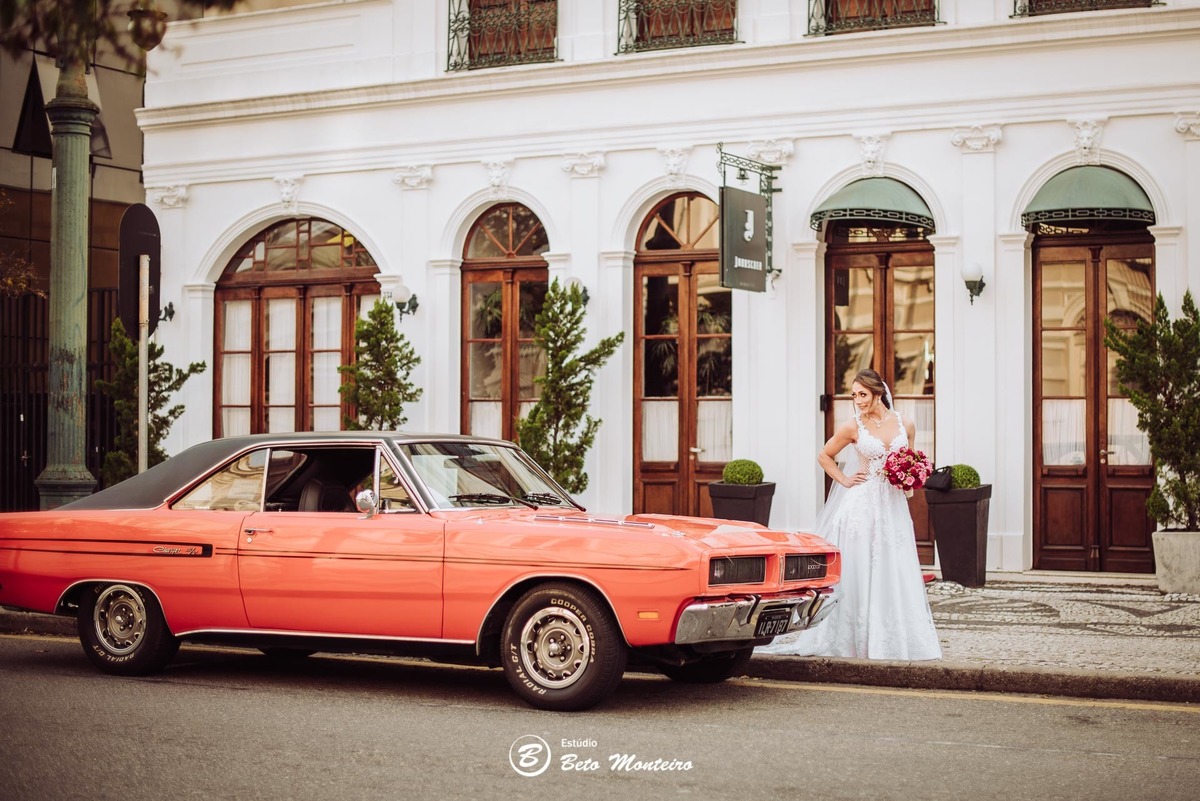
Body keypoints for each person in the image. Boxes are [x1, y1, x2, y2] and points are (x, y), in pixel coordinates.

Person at [759, 368, 941, 660]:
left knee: (892, 567)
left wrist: (910, 480)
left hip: (892, 506)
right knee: (861, 570)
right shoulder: (853, 427)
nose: (858, 400)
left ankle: (892, 639)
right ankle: (854, 639)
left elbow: (910, 458)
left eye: (863, 394)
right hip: (862, 504)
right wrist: (843, 480)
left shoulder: (905, 423)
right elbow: (824, 455)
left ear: (878, 392)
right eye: (854, 395)